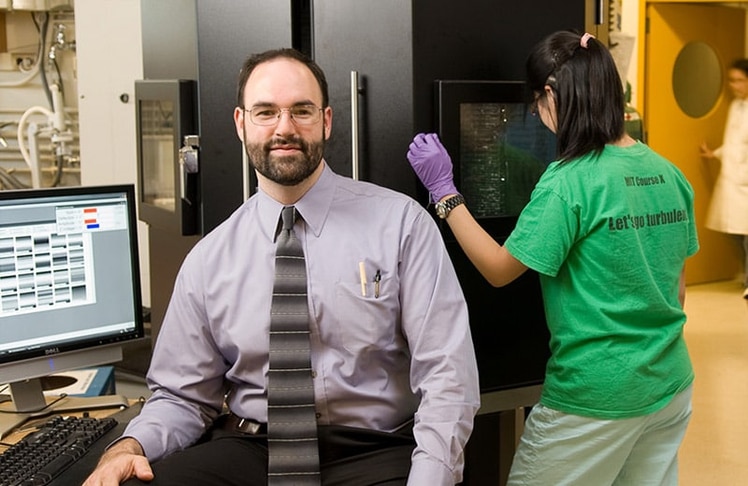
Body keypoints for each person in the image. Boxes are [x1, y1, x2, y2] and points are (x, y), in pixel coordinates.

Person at [83, 48, 479, 486]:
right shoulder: (209, 259)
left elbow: (448, 377)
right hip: (252, 449)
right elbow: (181, 397)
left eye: (301, 111)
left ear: (326, 121)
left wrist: (430, 478)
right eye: (266, 112)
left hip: (376, 449)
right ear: (241, 124)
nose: (284, 128)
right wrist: (127, 447)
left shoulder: (402, 224)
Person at [406, 31, 698, 485]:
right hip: (670, 384)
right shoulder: (669, 172)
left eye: (536, 104)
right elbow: (676, 291)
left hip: (595, 395)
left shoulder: (570, 181)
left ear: (549, 94)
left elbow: (500, 270)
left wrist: (445, 193)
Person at [699, 58, 748, 299]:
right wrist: (714, 153)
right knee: (735, 232)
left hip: (744, 180)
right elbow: (734, 143)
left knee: (746, 233)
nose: (734, 85)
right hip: (733, 178)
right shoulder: (736, 106)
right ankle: (745, 276)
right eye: (732, 80)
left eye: (739, 80)